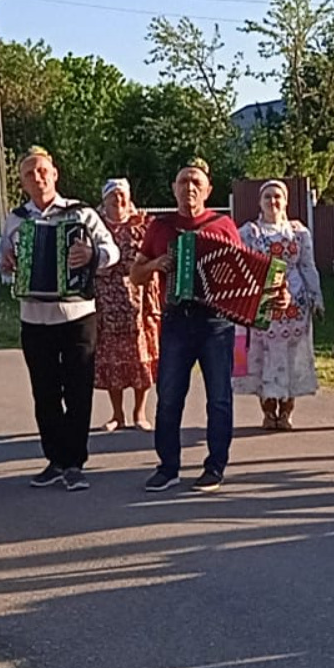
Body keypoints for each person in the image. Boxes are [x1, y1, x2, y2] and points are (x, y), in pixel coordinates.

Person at [131, 159, 260, 492]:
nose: (189, 187)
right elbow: (136, 274)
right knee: (169, 396)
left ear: (207, 189)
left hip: (215, 323)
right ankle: (168, 467)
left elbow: (243, 273)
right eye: (183, 181)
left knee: (219, 397)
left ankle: (215, 466)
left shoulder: (223, 225)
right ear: (174, 188)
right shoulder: (161, 227)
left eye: (195, 182)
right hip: (175, 320)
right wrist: (159, 264)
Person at [0, 147, 119, 493]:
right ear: (22, 182)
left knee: (78, 389)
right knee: (45, 392)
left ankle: (75, 463)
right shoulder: (17, 219)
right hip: (35, 318)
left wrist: (91, 254)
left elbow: (112, 251)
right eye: (29, 174)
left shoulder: (80, 213)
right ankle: (55, 459)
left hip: (77, 313)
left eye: (42, 171)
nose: (37, 178)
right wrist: (7, 267)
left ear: (55, 174)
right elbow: (6, 265)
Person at [237, 180, 322, 430]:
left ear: (285, 201)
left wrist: (316, 297)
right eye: (267, 197)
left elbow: (307, 265)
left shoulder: (298, 232)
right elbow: (240, 266)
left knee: (291, 355)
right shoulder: (249, 232)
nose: (272, 202)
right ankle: (267, 410)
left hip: (295, 302)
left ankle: (286, 411)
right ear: (259, 203)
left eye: (277, 197)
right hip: (261, 302)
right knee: (263, 356)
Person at [93, 178, 160, 432]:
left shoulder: (142, 224)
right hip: (106, 300)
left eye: (122, 195)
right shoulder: (95, 226)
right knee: (112, 358)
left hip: (138, 299)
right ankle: (117, 414)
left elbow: (155, 253)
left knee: (140, 357)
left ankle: (139, 412)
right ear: (105, 199)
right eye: (113, 196)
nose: (118, 200)